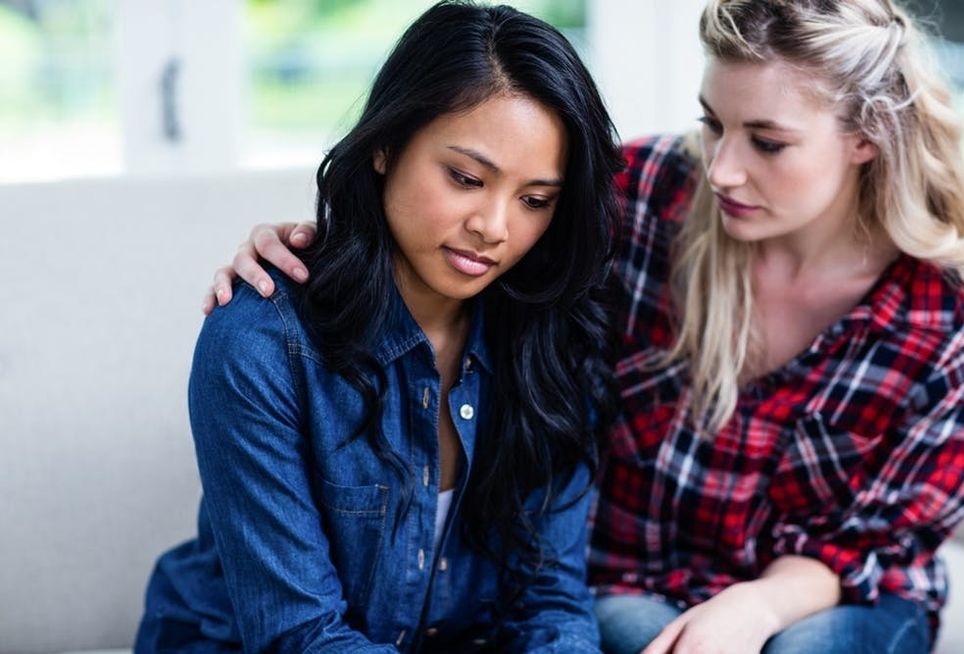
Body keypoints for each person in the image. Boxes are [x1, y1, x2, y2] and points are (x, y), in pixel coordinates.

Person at [209, 1, 964, 653]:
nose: (723, 172)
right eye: (713, 125)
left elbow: (878, 542)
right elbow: (464, 186)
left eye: (768, 142)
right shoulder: (643, 196)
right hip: (640, 576)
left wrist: (756, 607)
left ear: (865, 138)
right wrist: (316, 243)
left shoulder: (949, 323)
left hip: (823, 593)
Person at [136, 2, 624, 652]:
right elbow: (301, 635)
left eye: (534, 201)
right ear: (386, 146)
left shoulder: (550, 339)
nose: (495, 226)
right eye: (466, 178)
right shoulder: (261, 343)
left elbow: (550, 603)